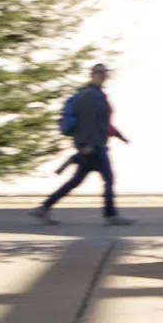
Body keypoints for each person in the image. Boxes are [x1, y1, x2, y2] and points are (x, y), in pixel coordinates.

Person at [36, 62, 131, 226]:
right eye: (98, 72)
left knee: (75, 181)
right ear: (92, 75)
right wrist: (84, 144)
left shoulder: (99, 95)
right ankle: (111, 215)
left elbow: (103, 123)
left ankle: (44, 208)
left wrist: (119, 135)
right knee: (108, 178)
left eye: (104, 72)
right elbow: (87, 123)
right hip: (93, 146)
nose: (102, 75)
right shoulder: (89, 96)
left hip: (94, 145)